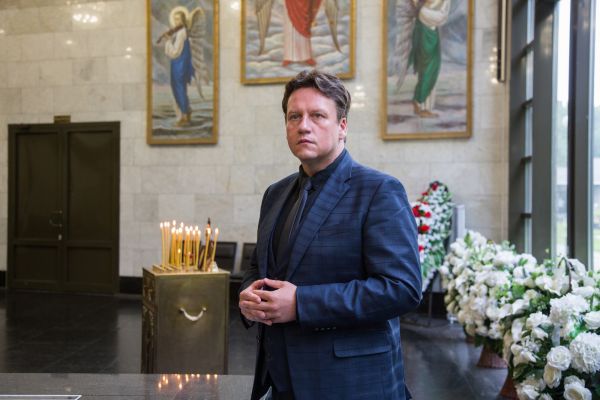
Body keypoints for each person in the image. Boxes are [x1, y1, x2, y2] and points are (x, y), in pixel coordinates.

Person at [239, 70, 422, 400]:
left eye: (317, 115)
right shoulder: (275, 194)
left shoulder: (379, 190)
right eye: (294, 116)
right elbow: (258, 268)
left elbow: (402, 288)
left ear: (342, 127)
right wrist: (249, 296)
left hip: (350, 384)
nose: (303, 126)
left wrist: (301, 303)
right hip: (279, 381)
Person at [410, 0, 450, 118]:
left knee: (428, 69)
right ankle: (421, 104)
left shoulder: (425, 11)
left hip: (428, 28)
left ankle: (421, 104)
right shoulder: (425, 12)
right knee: (429, 69)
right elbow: (441, 15)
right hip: (426, 30)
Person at [163, 10, 195, 127]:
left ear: (183, 20)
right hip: (178, 64)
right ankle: (185, 112)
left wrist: (168, 40)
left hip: (179, 65)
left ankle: (185, 116)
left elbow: (175, 51)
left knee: (179, 88)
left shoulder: (181, 32)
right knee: (178, 88)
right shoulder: (179, 32)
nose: (176, 22)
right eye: (175, 19)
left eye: (178, 19)